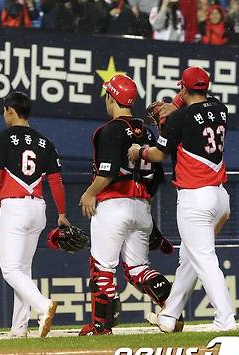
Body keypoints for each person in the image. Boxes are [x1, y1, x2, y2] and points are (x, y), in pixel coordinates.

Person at [128, 66, 237, 332]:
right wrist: (173, 105)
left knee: (204, 258)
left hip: (195, 198)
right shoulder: (220, 109)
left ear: (183, 88)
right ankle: (169, 316)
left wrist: (138, 151)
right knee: (190, 258)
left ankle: (225, 319)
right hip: (221, 198)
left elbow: (159, 155)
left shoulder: (178, 120)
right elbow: (196, 104)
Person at [79, 74, 173, 336]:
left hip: (113, 205)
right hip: (141, 206)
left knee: (103, 268)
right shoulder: (148, 133)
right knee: (138, 269)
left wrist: (89, 193)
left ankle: (100, 325)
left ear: (111, 97)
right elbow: (157, 178)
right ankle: (172, 309)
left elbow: (107, 172)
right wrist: (142, 207)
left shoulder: (109, 130)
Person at [0, 91, 66, 338]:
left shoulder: (5, 137)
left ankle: (43, 306)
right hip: (38, 207)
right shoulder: (45, 141)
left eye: (4, 111)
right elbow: (56, 181)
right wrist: (62, 214)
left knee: (10, 270)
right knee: (23, 270)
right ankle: (19, 327)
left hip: (15, 208)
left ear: (10, 111)